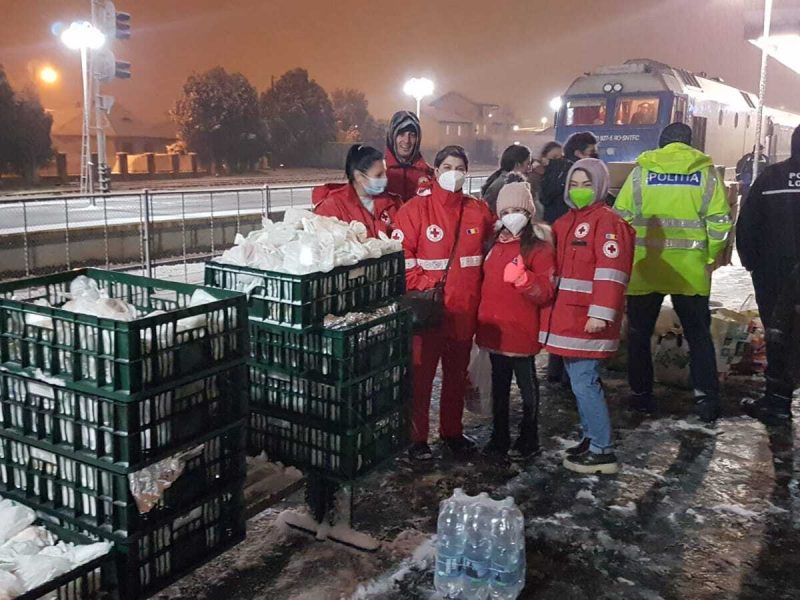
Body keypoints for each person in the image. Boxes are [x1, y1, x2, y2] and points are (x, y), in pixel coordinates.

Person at [614, 122, 732, 422]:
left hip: (645, 267)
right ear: (690, 143)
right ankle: (706, 399)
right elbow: (720, 221)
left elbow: (621, 218)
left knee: (640, 335)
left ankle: (641, 395)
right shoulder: (705, 173)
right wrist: (709, 257)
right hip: (690, 270)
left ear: (661, 143)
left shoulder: (642, 171)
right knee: (698, 335)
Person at [392, 145, 496, 460]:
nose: (454, 173)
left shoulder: (478, 211)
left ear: (466, 172)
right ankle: (416, 438)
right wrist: (429, 285)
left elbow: (489, 257)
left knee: (455, 378)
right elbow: (401, 261)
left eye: (460, 167)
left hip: (464, 311)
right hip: (428, 311)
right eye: (447, 166)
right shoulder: (414, 211)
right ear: (436, 172)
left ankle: (452, 431)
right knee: (421, 379)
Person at [539, 159, 635, 474]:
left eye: (587, 184)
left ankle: (602, 449)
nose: (580, 191)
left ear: (600, 187)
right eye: (574, 185)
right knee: (580, 381)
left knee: (584, 382)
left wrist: (601, 314)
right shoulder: (565, 222)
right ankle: (592, 436)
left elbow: (612, 273)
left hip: (587, 321)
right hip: (567, 319)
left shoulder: (608, 223)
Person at [476, 182, 556, 460]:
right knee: (499, 389)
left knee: (527, 388)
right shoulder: (492, 243)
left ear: (529, 211)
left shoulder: (539, 248)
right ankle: (499, 437)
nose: (512, 215)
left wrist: (524, 279)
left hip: (522, 330)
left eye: (519, 210)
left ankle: (529, 436)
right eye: (507, 210)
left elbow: (545, 291)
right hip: (495, 330)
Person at [736, 125, 800, 423]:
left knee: (778, 336)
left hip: (774, 274)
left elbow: (747, 224)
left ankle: (777, 402)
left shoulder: (771, 177)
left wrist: (752, 263)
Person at [539, 132, 598, 386]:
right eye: (592, 151)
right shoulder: (577, 176)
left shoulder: (553, 172)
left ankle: (556, 367)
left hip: (556, 240)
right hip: (572, 244)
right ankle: (567, 372)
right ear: (579, 154)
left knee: (560, 304)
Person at [313, 144, 401, 237]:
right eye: (378, 175)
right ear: (358, 176)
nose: (385, 178)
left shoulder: (393, 203)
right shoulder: (333, 206)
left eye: (384, 173)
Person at [384, 111, 434, 201]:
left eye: (412, 135)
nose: (407, 140)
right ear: (392, 137)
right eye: (401, 134)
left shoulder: (429, 174)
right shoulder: (379, 173)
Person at [480, 145, 532, 215]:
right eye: (528, 164)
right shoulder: (506, 184)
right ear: (517, 164)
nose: (530, 169)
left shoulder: (501, 181)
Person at [528, 141, 563, 215]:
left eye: (561, 158)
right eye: (554, 157)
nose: (558, 161)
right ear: (543, 158)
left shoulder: (561, 175)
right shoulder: (535, 175)